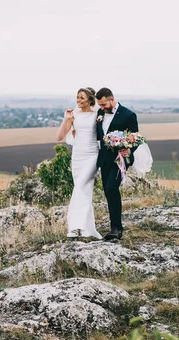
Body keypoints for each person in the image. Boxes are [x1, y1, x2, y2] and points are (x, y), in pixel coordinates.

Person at [56, 88, 102, 239]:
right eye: (77, 97)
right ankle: (88, 229)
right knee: (83, 190)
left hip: (92, 155)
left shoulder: (97, 115)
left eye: (82, 98)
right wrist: (66, 119)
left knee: (81, 187)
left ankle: (75, 227)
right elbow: (59, 136)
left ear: (90, 99)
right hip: (78, 156)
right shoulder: (73, 115)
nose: (78, 100)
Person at [95, 87, 139, 241]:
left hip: (121, 159)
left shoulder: (128, 115)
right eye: (99, 105)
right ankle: (114, 225)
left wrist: (129, 149)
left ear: (111, 99)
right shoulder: (100, 114)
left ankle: (117, 229)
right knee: (108, 191)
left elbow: (135, 137)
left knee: (111, 187)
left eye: (103, 105)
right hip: (105, 159)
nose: (101, 108)